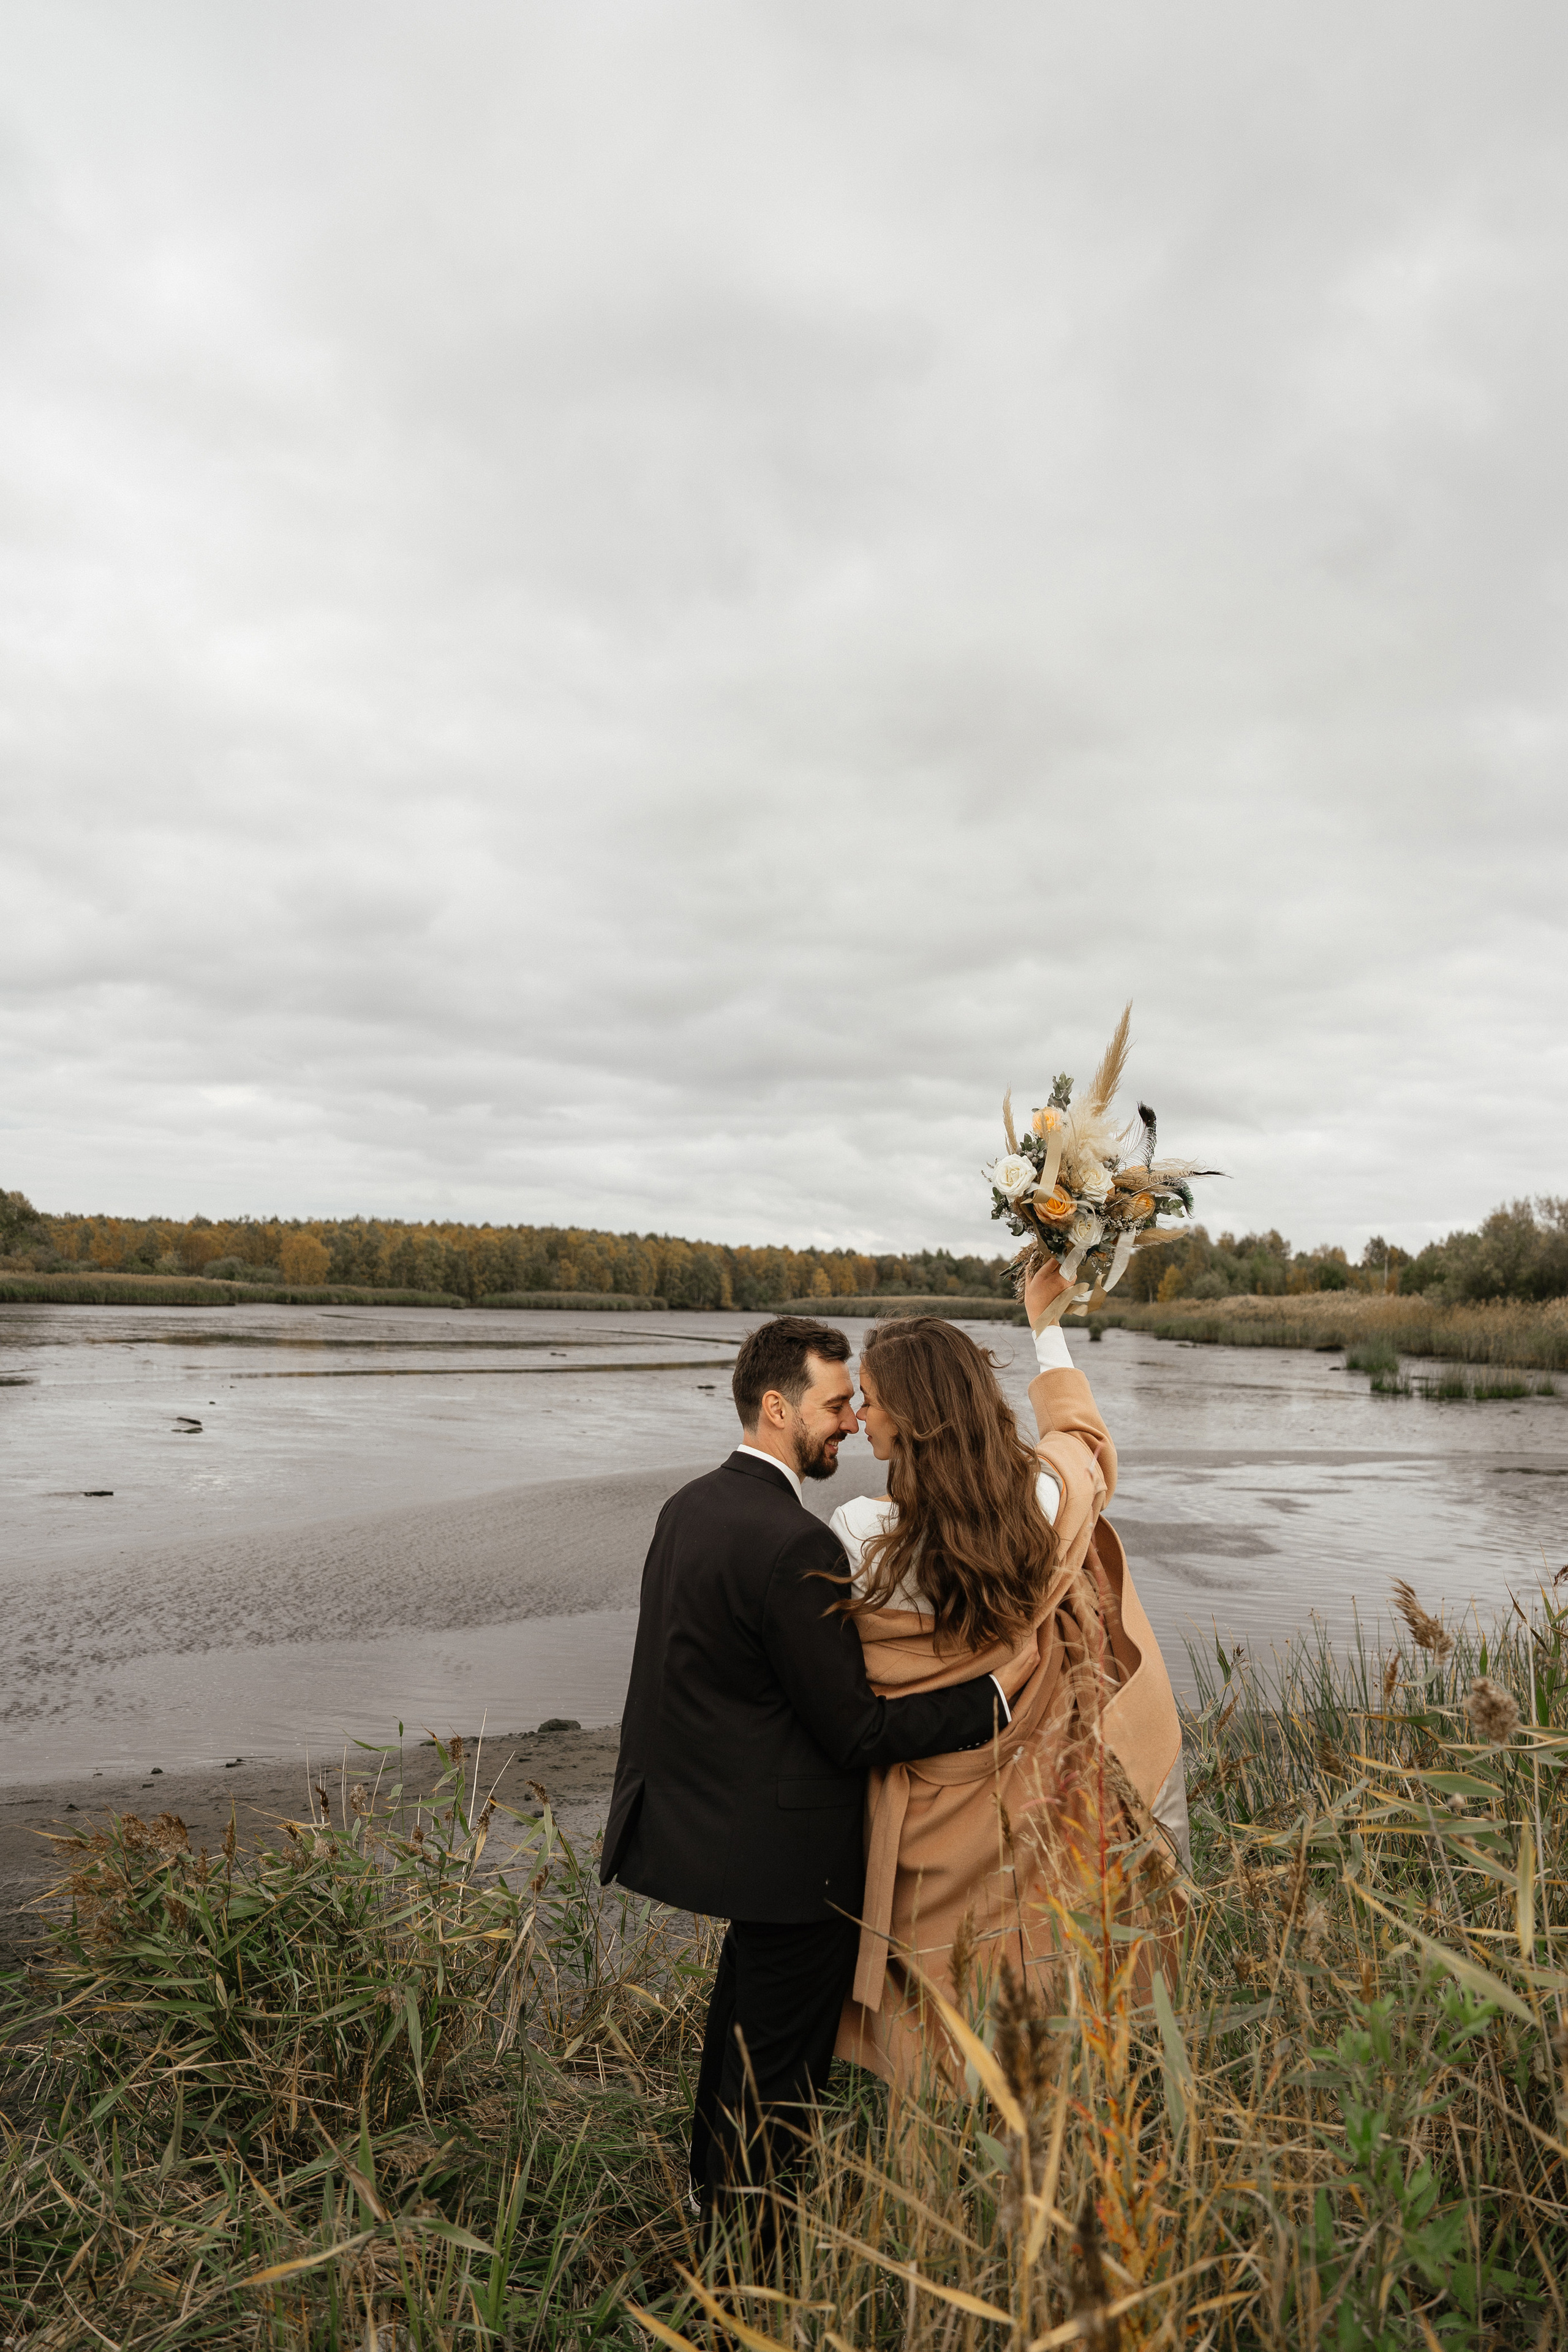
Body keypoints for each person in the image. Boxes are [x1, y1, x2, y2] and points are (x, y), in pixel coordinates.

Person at [600, 1314, 1015, 2224]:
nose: (853, 1423)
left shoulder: (689, 1507)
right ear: (779, 1407)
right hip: (795, 1862)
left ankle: (710, 2208)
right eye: (836, 1406)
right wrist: (989, 1701)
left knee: (736, 2043)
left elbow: (695, 1683)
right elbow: (855, 1731)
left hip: (719, 1833)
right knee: (780, 2081)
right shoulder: (798, 1544)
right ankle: (754, 2262)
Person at [830, 1261, 1189, 2087]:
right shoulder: (1040, 1504)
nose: (859, 1416)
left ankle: (942, 2103)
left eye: (871, 1400)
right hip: (1031, 1777)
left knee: (935, 1960)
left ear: (912, 1416)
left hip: (929, 1798)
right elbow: (1085, 1449)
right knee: (1034, 1934)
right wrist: (1045, 1327)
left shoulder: (860, 1533)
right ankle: (1054, 2083)